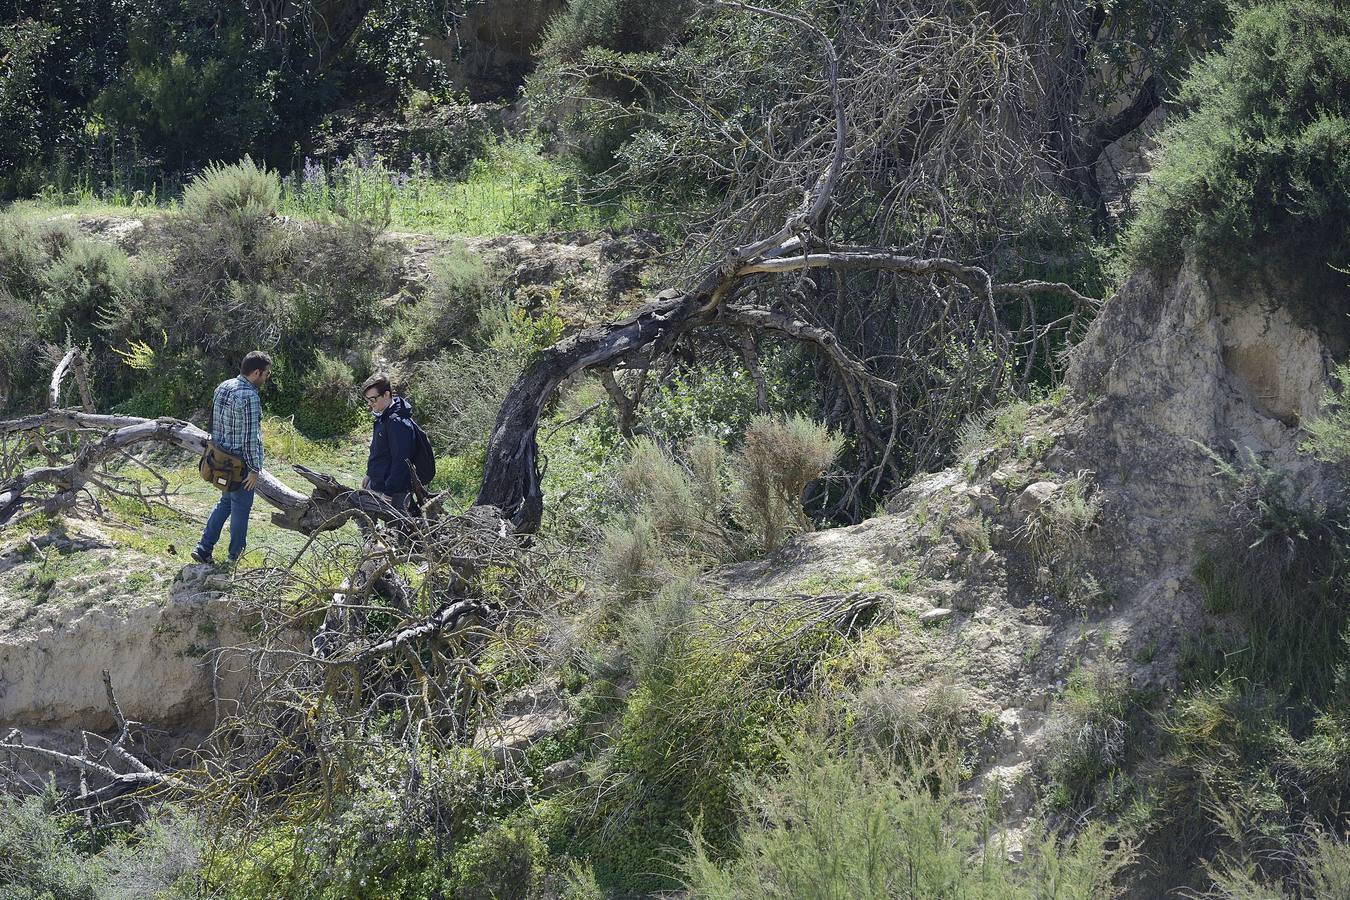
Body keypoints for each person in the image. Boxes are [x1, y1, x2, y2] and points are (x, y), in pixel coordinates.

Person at [192, 351, 271, 565]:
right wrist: (255, 470)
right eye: (265, 374)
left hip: (220, 459)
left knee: (225, 503)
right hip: (240, 465)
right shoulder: (250, 396)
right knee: (241, 511)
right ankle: (234, 558)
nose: (266, 378)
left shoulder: (223, 386)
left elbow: (215, 425)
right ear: (256, 372)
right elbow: (251, 438)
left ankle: (203, 548)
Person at [361, 373, 418, 512]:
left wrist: (389, 492)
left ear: (386, 394)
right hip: (377, 482)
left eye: (373, 399)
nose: (370, 404)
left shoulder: (397, 422)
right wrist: (369, 474)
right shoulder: (383, 416)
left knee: (395, 530)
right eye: (367, 400)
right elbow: (378, 449)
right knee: (364, 519)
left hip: (394, 491)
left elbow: (402, 461)